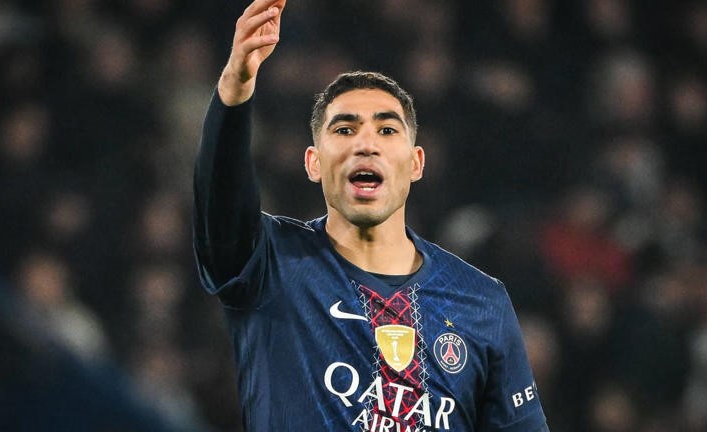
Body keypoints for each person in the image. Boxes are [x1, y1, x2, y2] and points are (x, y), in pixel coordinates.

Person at [193, 1, 549, 430]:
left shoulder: (481, 301)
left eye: (387, 129)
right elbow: (222, 202)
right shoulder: (271, 264)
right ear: (313, 163)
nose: (366, 144)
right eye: (344, 129)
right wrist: (234, 90)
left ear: (416, 164)